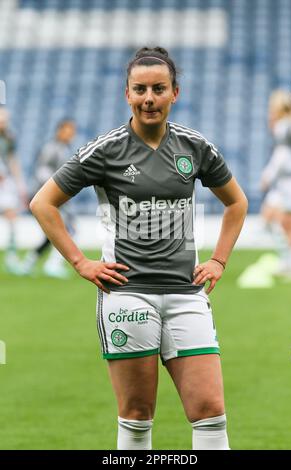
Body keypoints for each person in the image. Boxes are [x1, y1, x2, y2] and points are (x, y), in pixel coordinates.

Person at [30, 46, 248, 450]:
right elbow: (43, 204)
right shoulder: (105, 149)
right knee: (136, 417)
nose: (149, 98)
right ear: (127, 94)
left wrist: (219, 260)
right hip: (128, 295)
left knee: (211, 412)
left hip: (188, 295)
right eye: (140, 89)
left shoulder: (195, 147)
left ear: (174, 93)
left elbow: (237, 202)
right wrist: (81, 263)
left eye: (159, 89)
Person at [23, 119, 77, 278]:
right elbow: (42, 171)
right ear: (59, 130)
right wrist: (56, 188)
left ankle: (29, 263)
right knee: (67, 229)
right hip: (51, 196)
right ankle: (52, 265)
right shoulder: (52, 148)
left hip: (58, 196)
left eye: (72, 131)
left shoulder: (64, 149)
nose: (71, 134)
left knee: (54, 233)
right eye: (68, 130)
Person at [260, 90, 291, 279]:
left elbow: (282, 157)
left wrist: (267, 175)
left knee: (290, 225)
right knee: (272, 219)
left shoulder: (284, 126)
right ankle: (288, 261)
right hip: (287, 183)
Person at [0, 106, 27, 274]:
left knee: (12, 218)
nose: (3, 124)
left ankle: (11, 255)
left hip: (4, 184)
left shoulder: (9, 137)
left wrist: (20, 184)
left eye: (5, 121)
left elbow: (13, 161)